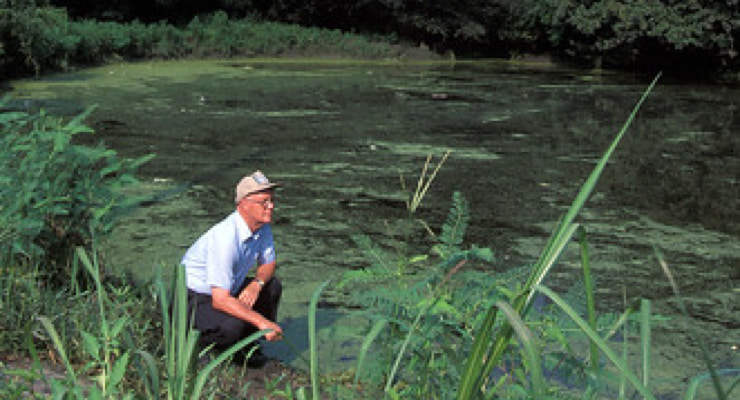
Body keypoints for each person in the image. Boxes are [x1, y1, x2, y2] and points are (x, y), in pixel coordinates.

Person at [181, 170, 283, 368]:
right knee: (232, 325)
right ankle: (208, 350)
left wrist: (257, 283)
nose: (271, 206)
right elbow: (220, 300)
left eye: (271, 200)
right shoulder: (225, 238)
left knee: (272, 287)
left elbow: (269, 264)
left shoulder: (262, 227)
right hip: (194, 299)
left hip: (225, 290)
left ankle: (248, 346)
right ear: (244, 204)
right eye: (264, 201)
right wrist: (262, 322)